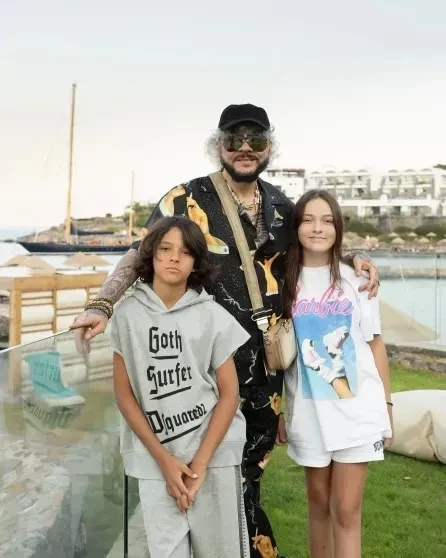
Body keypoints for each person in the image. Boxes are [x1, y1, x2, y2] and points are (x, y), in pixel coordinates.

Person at [71, 103, 380, 558]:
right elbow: (142, 254)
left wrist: (353, 258)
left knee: (249, 470)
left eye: (257, 139)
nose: (245, 148)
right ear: (219, 146)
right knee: (203, 467)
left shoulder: (282, 206)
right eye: (234, 139)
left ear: (269, 147)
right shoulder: (186, 199)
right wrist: (103, 303)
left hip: (267, 371)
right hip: (202, 365)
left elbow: (316, 241)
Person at [111, 216, 251, 557]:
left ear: (196, 261)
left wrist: (199, 465)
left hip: (212, 457)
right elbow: (124, 396)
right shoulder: (126, 315)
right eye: (165, 249)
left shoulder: (213, 316)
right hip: (155, 459)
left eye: (186, 252)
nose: (175, 258)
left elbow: (229, 395)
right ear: (151, 254)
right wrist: (164, 461)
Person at [281, 190, 393, 558]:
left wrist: (387, 406)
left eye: (327, 220)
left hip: (357, 411)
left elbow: (375, 344)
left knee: (346, 510)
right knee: (318, 505)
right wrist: (279, 408)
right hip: (308, 411)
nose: (318, 228)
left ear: (338, 227)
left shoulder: (357, 279)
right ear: (296, 226)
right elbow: (279, 350)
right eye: (308, 220)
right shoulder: (282, 280)